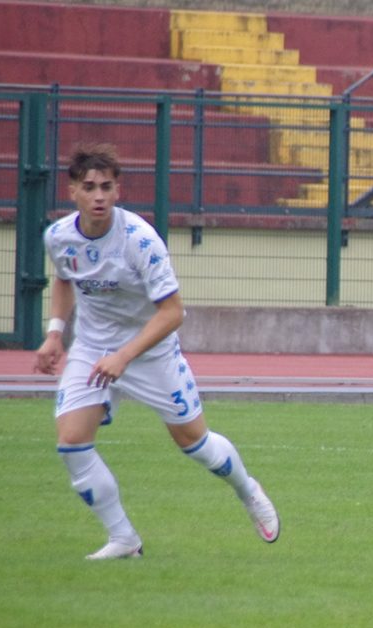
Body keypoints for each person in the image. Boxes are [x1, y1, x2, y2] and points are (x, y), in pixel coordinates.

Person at [34, 143, 280, 560]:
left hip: (151, 350)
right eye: (89, 187)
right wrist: (55, 333)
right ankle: (124, 539)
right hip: (93, 347)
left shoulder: (140, 240)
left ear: (118, 191)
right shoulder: (58, 236)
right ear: (72, 190)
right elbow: (63, 278)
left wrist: (125, 357)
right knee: (71, 442)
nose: (98, 196)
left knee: (194, 443)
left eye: (106, 187)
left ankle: (248, 490)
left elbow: (172, 312)